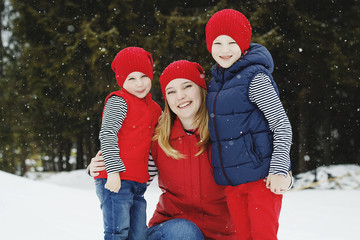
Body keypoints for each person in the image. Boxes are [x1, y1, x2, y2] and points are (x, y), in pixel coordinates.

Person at [89, 60, 236, 240]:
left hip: (222, 232)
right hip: (172, 233)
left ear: (201, 89)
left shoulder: (226, 134)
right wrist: (101, 168)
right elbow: (133, 176)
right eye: (171, 91)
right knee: (185, 232)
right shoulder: (160, 140)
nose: (180, 96)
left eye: (187, 86)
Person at [205, 9, 293, 240]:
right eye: (218, 42)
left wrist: (279, 169)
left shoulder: (255, 78)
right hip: (233, 183)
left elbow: (281, 125)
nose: (225, 50)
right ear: (209, 45)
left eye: (232, 42)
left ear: (244, 44)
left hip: (260, 180)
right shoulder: (215, 83)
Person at [94, 47, 162, 240]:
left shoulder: (155, 108)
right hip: (115, 179)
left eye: (143, 76)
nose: (139, 84)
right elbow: (107, 134)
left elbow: (156, 143)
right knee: (118, 231)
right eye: (131, 79)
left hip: (137, 182)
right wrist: (113, 172)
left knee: (138, 234)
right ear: (121, 81)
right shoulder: (119, 101)